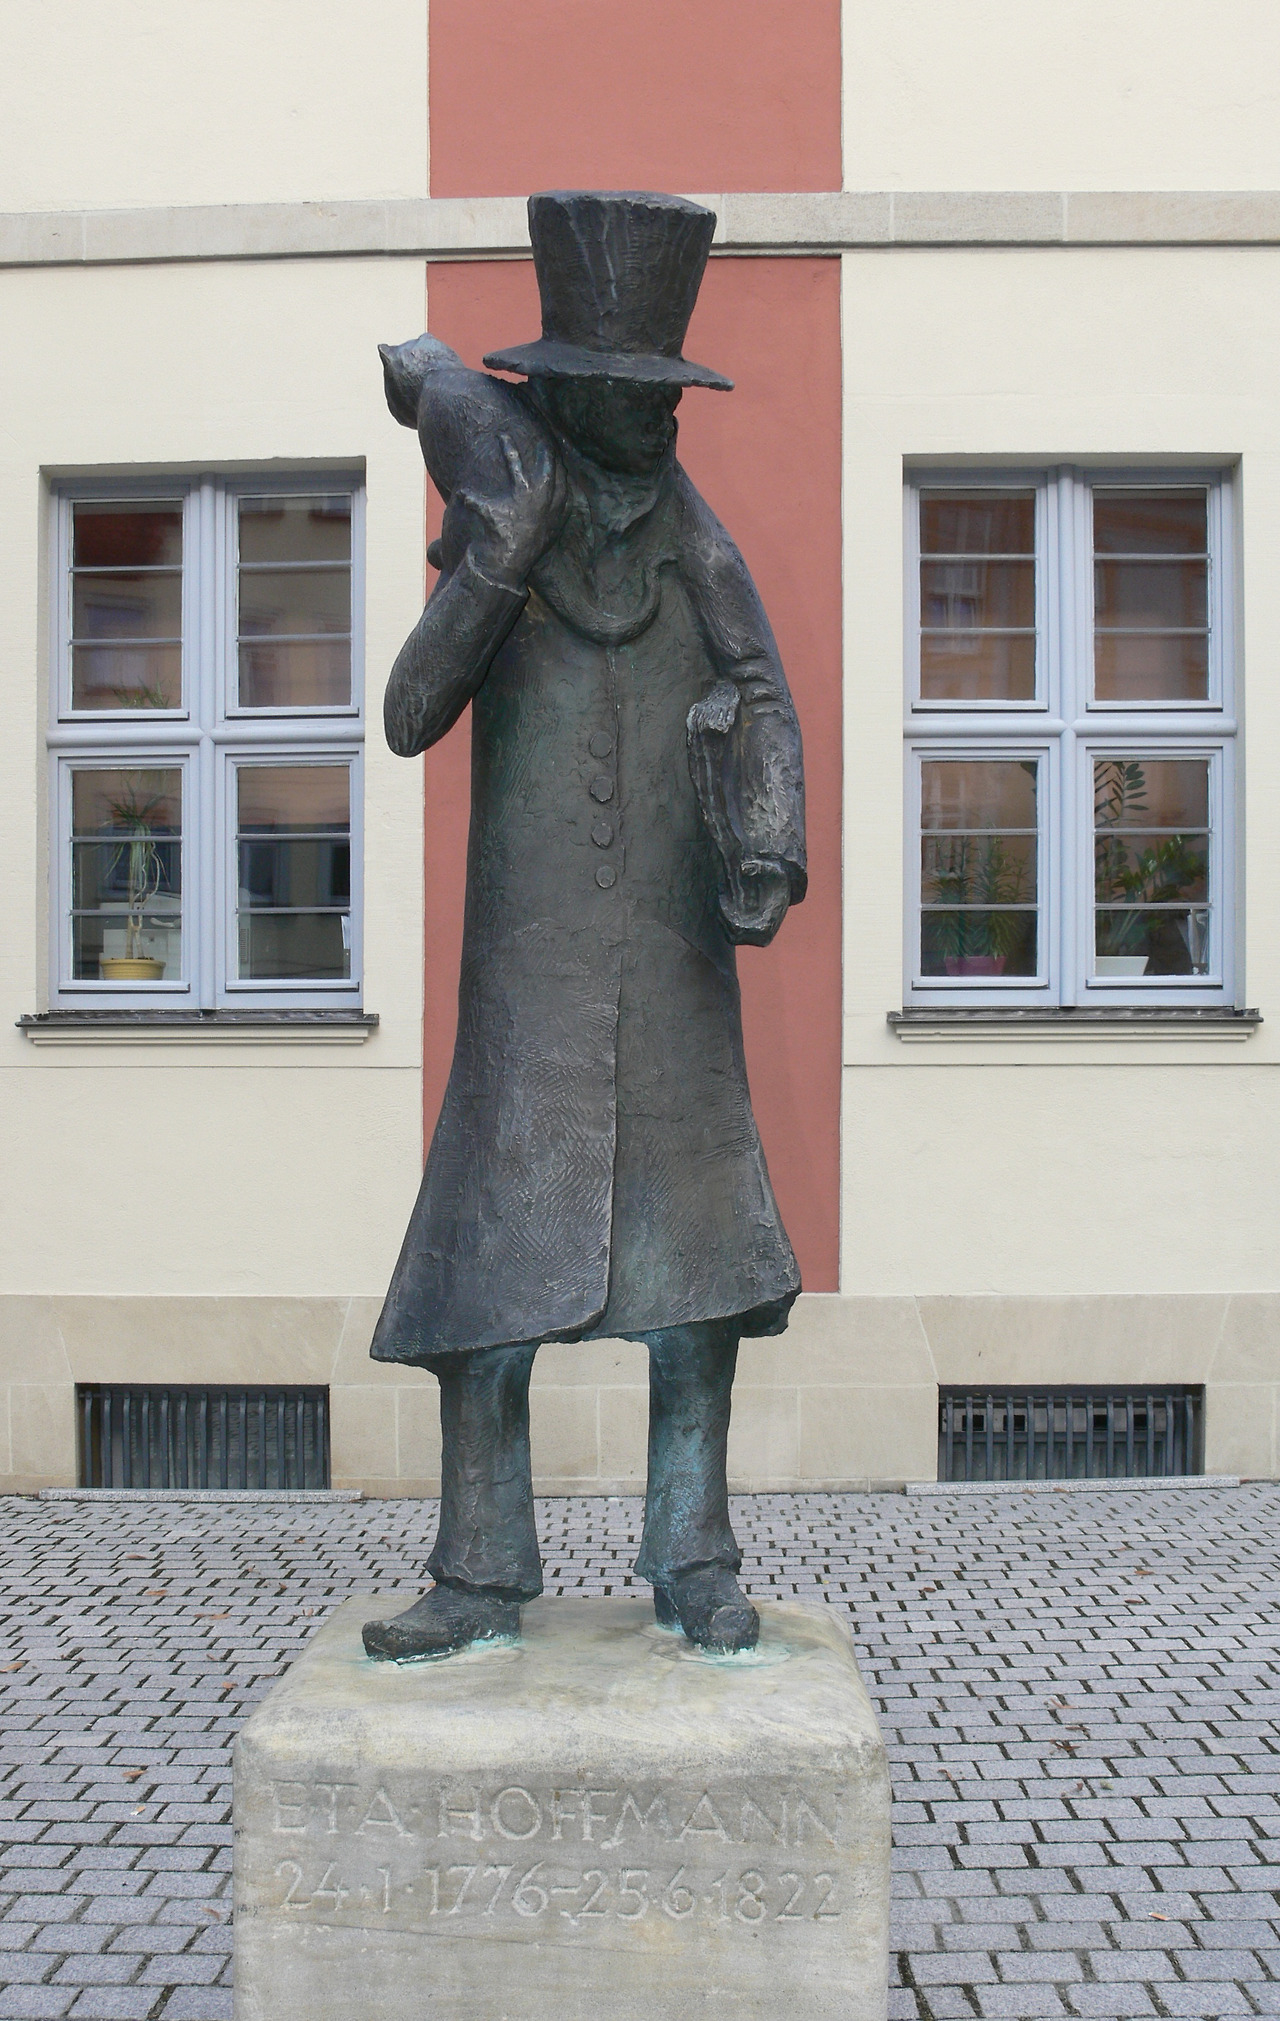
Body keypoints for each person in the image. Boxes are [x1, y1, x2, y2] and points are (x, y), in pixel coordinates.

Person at [364, 190, 806, 1662]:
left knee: (701, 1280)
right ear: (559, 391)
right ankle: (481, 1570)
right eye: (620, 400)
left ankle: (693, 1550)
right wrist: (498, 553)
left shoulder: (695, 539)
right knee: (487, 1271)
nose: (646, 426)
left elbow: (765, 697)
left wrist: (766, 843)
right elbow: (411, 712)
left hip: (673, 953)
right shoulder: (510, 514)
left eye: (658, 400)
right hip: (534, 963)